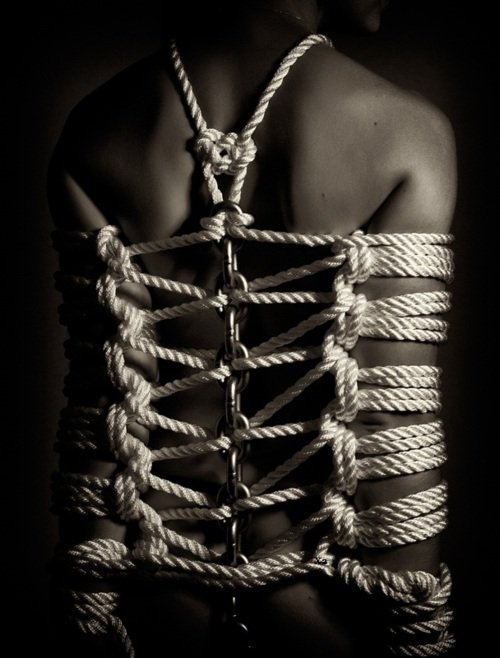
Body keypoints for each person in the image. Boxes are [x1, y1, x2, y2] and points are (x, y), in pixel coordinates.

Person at [48, 1, 457, 656]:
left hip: (155, 601)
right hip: (323, 609)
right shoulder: (405, 131)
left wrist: (91, 601)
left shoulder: (96, 129)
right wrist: (414, 625)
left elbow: (111, 401)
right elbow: (388, 421)